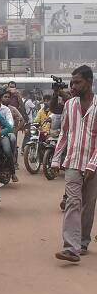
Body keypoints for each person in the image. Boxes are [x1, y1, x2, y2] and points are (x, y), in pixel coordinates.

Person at [53, 66, 97, 263]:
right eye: (72, 83)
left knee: (88, 205)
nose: (73, 86)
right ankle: (71, 248)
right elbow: (64, 133)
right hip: (72, 162)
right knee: (72, 202)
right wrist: (56, 159)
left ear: (89, 82)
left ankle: (83, 242)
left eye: (78, 82)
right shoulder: (70, 105)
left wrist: (92, 164)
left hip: (93, 164)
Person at [0, 91, 18, 182]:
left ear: (0, 101)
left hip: (3, 134)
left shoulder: (5, 110)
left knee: (7, 150)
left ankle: (13, 172)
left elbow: (10, 124)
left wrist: (0, 132)